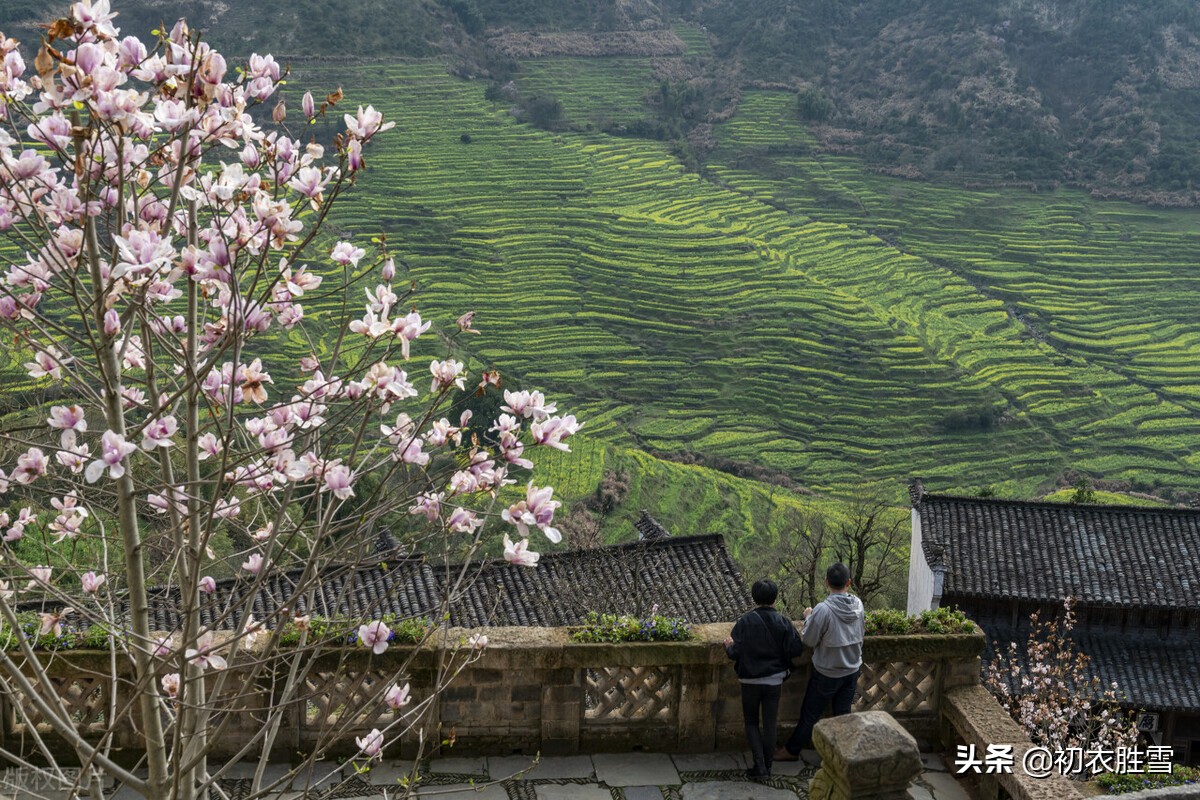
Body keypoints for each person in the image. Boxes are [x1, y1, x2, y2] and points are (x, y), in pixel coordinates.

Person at [775, 562, 864, 762]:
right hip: (852, 669)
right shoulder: (858, 605)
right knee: (843, 714)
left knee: (810, 714)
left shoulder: (823, 610)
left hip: (828, 672)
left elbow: (809, 640)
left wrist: (808, 617)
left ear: (826, 582)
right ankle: (846, 755)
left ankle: (792, 750)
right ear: (849, 582)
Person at [724, 579, 805, 780]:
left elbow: (735, 653)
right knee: (770, 724)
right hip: (774, 681)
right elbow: (796, 649)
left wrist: (728, 646)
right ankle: (768, 766)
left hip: (750, 681)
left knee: (751, 722)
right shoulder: (784, 622)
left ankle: (759, 765)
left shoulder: (745, 622)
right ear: (775, 599)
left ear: (754, 598)